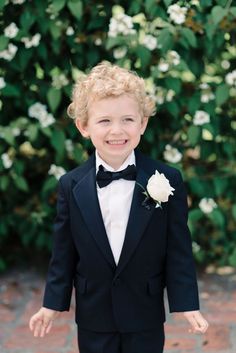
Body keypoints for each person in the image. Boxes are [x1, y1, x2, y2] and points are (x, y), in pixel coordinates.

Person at [29, 61, 209, 353]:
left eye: (127, 119)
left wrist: (187, 305)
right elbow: (63, 254)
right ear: (83, 126)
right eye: (104, 121)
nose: (117, 130)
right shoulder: (70, 186)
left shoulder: (166, 180)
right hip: (94, 314)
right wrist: (51, 305)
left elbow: (178, 251)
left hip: (145, 311)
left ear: (143, 123)